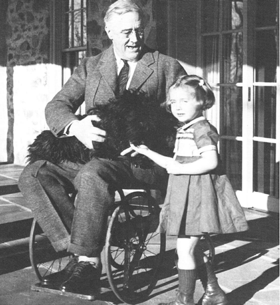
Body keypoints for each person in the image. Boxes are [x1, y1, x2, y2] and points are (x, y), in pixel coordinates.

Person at [18, 0, 186, 299]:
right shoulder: (91, 66)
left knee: (93, 173)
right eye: (125, 32)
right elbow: (57, 105)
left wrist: (153, 140)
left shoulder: (165, 66)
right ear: (109, 31)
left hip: (139, 163)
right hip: (93, 155)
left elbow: (184, 120)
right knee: (34, 173)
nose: (134, 39)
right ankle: (81, 252)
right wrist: (75, 127)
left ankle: (88, 263)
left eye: (138, 30)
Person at [125, 75, 249, 305]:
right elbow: (174, 162)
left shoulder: (202, 129)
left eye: (184, 101)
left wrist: (180, 169)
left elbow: (210, 162)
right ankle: (214, 293)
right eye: (173, 102)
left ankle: (184, 301)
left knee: (184, 251)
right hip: (185, 194)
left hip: (197, 197)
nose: (177, 107)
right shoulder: (187, 127)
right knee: (191, 248)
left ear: (201, 101)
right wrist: (147, 152)